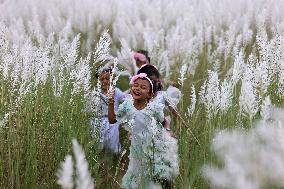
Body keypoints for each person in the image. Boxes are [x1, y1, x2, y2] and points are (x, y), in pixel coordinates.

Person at [108, 73, 179, 189]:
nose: (138, 88)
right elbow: (112, 120)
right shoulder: (127, 106)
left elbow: (164, 122)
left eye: (143, 87)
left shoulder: (153, 109)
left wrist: (168, 131)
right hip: (136, 150)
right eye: (135, 85)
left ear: (150, 95)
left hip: (154, 148)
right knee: (136, 176)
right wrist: (111, 101)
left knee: (153, 177)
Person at [137, 64, 182, 137]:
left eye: (154, 81)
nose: (152, 84)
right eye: (149, 81)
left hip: (160, 132)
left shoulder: (162, 95)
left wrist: (185, 127)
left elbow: (174, 112)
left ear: (158, 81)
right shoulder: (139, 97)